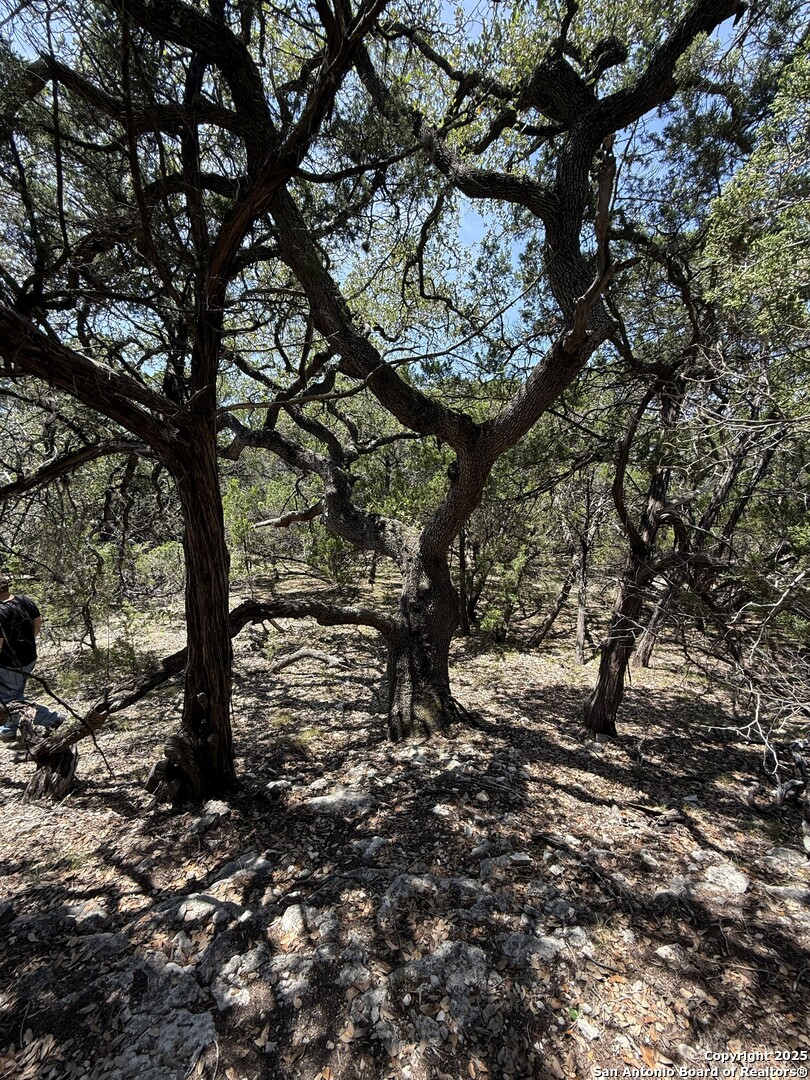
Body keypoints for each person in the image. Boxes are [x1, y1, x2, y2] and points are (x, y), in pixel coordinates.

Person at [0, 569, 62, 744]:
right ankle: (8, 730)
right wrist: (27, 642)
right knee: (13, 694)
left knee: (11, 700)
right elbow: (38, 623)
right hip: (29, 657)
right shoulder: (24, 600)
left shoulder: (0, 612)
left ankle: (51, 718)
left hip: (10, 663)